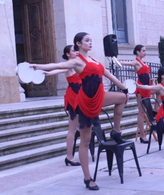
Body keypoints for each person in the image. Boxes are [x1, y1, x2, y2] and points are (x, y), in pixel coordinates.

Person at [31, 32, 129, 190]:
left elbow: (109, 75)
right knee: (85, 140)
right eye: (87, 40)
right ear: (78, 43)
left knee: (121, 98)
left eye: (91, 40)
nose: (90, 43)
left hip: (99, 96)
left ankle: (116, 131)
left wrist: (125, 89)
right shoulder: (77, 61)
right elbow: (58, 66)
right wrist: (38, 66)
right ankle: (87, 178)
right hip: (85, 101)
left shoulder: (95, 60)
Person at [43, 45, 81, 166]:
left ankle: (76, 151)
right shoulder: (68, 65)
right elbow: (58, 69)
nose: (76, 52)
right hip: (73, 97)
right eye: (74, 51)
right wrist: (48, 73)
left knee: (79, 127)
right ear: (68, 54)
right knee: (72, 129)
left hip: (81, 97)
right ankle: (69, 157)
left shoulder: (78, 64)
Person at [120, 45, 150, 143]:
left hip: (147, 87)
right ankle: (142, 135)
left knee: (146, 110)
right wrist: (119, 62)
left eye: (145, 51)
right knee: (141, 112)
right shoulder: (136, 62)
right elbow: (127, 63)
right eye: (143, 51)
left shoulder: (143, 62)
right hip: (141, 88)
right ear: (138, 52)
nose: (145, 52)